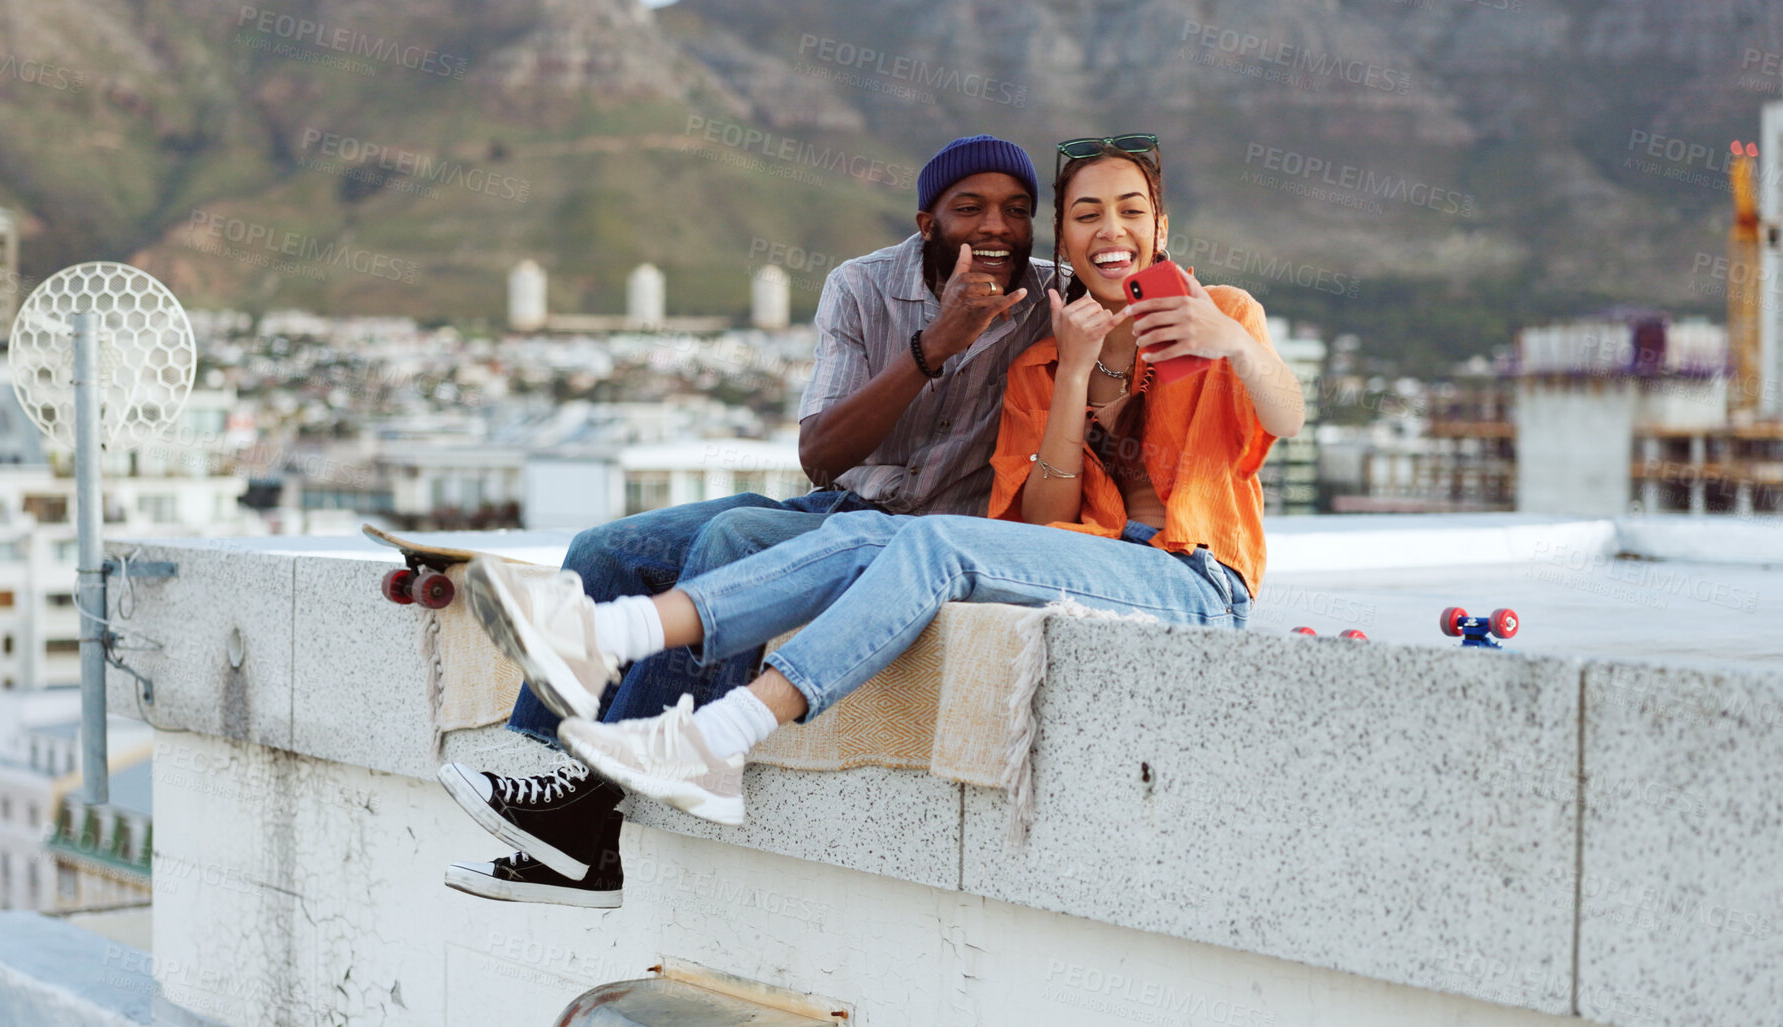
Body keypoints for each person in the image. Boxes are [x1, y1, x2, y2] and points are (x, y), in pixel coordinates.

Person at [452, 134, 1307, 904]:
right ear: (1067, 239)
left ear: (1161, 226)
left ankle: (670, 720)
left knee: (886, 539)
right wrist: (1076, 371)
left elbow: (1287, 415)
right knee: (682, 541)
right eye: (1085, 213)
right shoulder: (1047, 348)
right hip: (1038, 545)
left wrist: (1233, 344)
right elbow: (1044, 520)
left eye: (1128, 210)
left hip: (1194, 573)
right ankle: (575, 736)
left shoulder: (1222, 314)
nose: (1105, 228)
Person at [441, 135, 1058, 905]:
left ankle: (582, 815)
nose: (996, 225)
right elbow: (821, 456)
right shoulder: (862, 286)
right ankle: (571, 822)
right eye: (970, 207)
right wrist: (935, 346)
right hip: (841, 503)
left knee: (732, 540)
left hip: (927, 540)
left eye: (1017, 210)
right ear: (926, 220)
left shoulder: (1051, 303)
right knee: (604, 548)